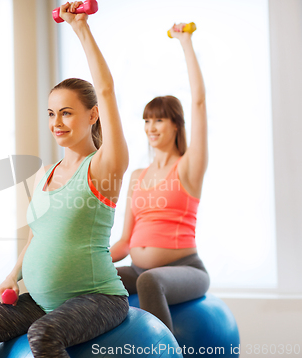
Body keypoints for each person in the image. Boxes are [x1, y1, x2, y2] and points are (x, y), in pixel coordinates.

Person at [0, 2, 130, 357]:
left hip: (97, 298)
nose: (56, 122)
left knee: (43, 336)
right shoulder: (47, 173)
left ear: (92, 116)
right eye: (51, 114)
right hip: (41, 301)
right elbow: (37, 234)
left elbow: (106, 92)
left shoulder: (104, 166)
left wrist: (80, 29)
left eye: (66, 113)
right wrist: (13, 273)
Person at [110, 23, 210, 332]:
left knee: (149, 280)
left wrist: (185, 42)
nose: (151, 127)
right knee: (93, 281)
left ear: (177, 125)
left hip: (185, 269)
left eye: (160, 120)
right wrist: (88, 261)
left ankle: (163, 353)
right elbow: (126, 241)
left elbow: (198, 102)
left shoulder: (189, 166)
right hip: (138, 267)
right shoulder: (138, 175)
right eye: (146, 121)